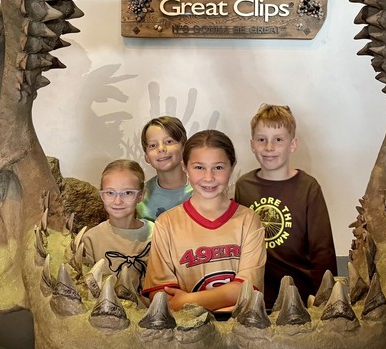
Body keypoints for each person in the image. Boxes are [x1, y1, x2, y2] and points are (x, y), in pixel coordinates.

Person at [142, 130, 265, 312]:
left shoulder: (248, 221)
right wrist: (223, 298)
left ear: (232, 166)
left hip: (241, 331)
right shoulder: (166, 223)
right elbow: (163, 297)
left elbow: (246, 291)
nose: (209, 177)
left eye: (218, 167)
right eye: (199, 167)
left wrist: (187, 300)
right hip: (186, 334)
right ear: (185, 167)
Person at [234, 104, 337, 307]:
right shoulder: (243, 187)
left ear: (292, 144)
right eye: (261, 139)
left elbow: (322, 249)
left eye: (278, 140)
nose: (269, 147)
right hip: (257, 297)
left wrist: (325, 299)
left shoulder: (308, 187)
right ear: (252, 144)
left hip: (302, 296)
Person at [80, 159, 154, 290]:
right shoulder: (90, 239)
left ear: (141, 195)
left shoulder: (157, 233)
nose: (117, 201)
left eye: (127, 193)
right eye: (110, 193)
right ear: (101, 194)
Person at [136, 115, 193, 221]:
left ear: (184, 148)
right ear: (147, 157)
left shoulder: (202, 189)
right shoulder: (140, 197)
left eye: (169, 141)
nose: (161, 149)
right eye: (153, 145)